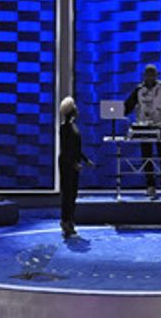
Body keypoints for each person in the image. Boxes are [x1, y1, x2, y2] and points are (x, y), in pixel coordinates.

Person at [125, 64, 161, 197]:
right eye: (148, 74)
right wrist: (118, 113)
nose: (151, 77)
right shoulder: (139, 90)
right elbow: (128, 105)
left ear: (156, 75)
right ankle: (150, 185)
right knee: (147, 156)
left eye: (153, 74)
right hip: (144, 127)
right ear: (144, 76)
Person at [59, 96, 92, 238]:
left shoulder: (73, 126)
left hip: (73, 163)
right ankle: (66, 221)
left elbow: (76, 148)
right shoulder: (65, 127)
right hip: (67, 163)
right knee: (68, 194)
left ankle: (69, 220)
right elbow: (66, 149)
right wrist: (73, 164)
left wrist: (85, 160)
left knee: (73, 194)